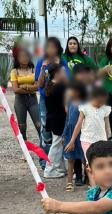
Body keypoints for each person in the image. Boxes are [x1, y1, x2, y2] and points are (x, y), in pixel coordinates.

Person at [35, 37, 70, 170]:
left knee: (60, 131)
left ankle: (57, 164)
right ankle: (45, 162)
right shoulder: (41, 62)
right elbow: (39, 84)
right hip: (46, 100)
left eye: (54, 47)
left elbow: (68, 82)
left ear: (58, 49)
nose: (51, 50)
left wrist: (60, 66)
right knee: (45, 131)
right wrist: (44, 66)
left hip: (61, 99)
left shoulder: (63, 62)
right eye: (48, 47)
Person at [65, 87, 111, 186]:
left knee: (99, 162)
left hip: (101, 140)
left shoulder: (105, 109)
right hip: (86, 140)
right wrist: (72, 140)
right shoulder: (84, 108)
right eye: (98, 101)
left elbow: (107, 126)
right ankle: (93, 187)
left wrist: (107, 140)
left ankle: (97, 182)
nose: (100, 104)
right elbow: (78, 124)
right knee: (90, 163)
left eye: (102, 102)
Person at [9, 48, 40, 146]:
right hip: (20, 101)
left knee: (39, 125)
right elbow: (15, 89)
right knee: (22, 127)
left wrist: (24, 86)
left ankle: (45, 148)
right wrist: (31, 87)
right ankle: (25, 151)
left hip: (33, 100)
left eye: (26, 56)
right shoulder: (14, 72)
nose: (25, 58)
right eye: (22, 56)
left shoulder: (34, 70)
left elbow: (37, 87)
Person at [43, 63, 68, 178]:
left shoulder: (50, 84)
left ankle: (60, 168)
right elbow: (65, 105)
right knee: (57, 144)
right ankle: (50, 170)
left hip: (53, 119)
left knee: (59, 144)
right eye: (63, 72)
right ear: (57, 74)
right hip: (59, 119)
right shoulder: (60, 87)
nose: (65, 74)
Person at [62, 81, 87, 191]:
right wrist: (64, 135)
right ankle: (69, 182)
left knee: (85, 158)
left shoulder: (85, 103)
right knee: (70, 159)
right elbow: (67, 120)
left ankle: (89, 178)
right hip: (70, 134)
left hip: (82, 134)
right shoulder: (70, 102)